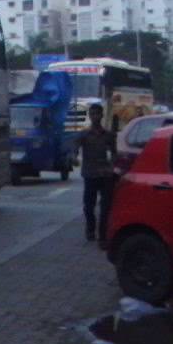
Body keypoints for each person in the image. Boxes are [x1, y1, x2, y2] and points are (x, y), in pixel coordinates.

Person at [73, 103, 117, 242]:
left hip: (105, 175)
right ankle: (91, 229)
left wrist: (112, 166)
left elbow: (115, 153)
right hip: (90, 174)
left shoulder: (108, 135)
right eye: (92, 114)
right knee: (88, 206)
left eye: (97, 114)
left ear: (101, 115)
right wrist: (73, 158)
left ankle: (103, 235)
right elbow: (75, 149)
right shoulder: (84, 134)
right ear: (90, 116)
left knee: (105, 207)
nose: (94, 117)